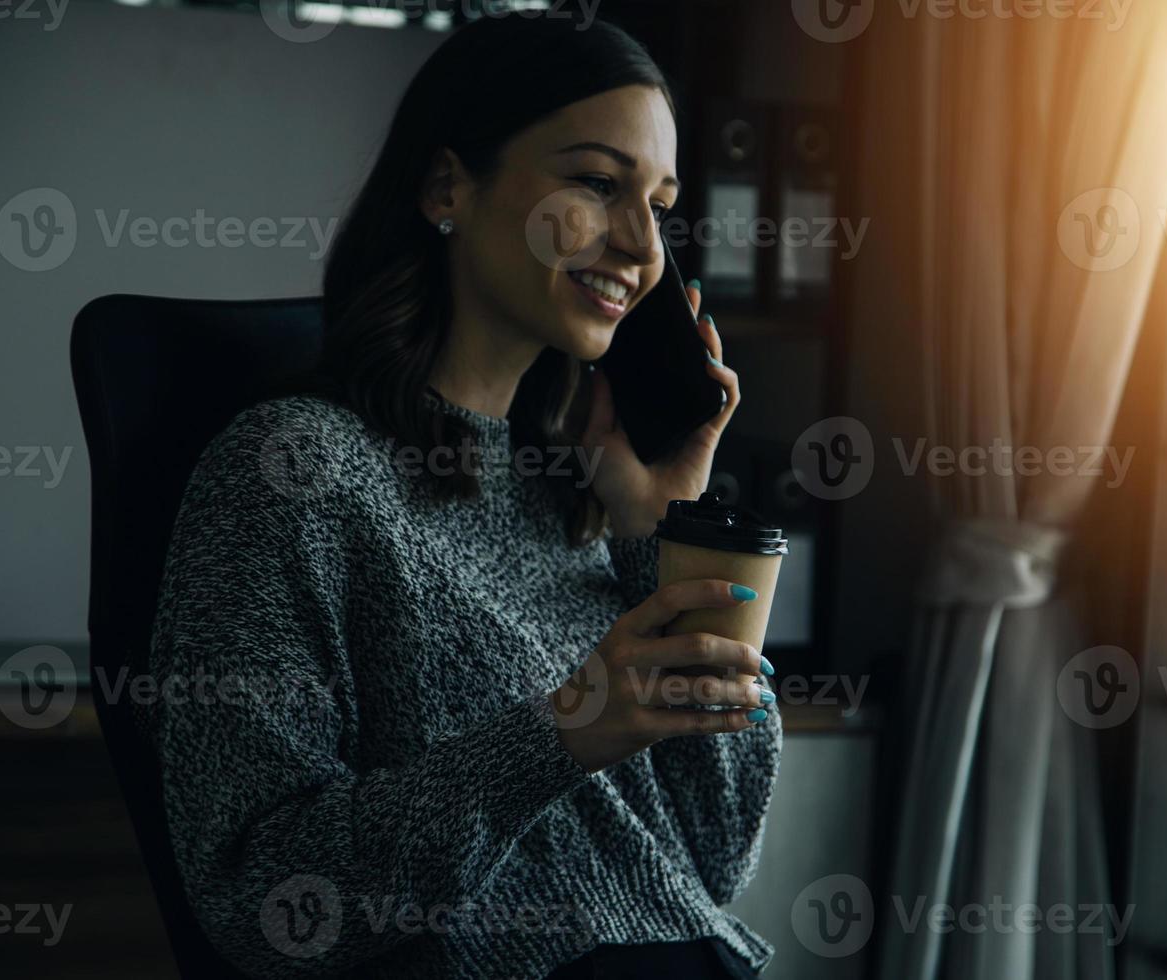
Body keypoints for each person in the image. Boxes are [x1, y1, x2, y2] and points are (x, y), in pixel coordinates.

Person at [146, 12, 782, 978]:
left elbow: (715, 852)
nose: (642, 247)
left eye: (660, 204)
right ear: (447, 184)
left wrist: (667, 539)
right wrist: (563, 733)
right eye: (598, 184)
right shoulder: (292, 475)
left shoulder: (581, 489)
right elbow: (264, 893)